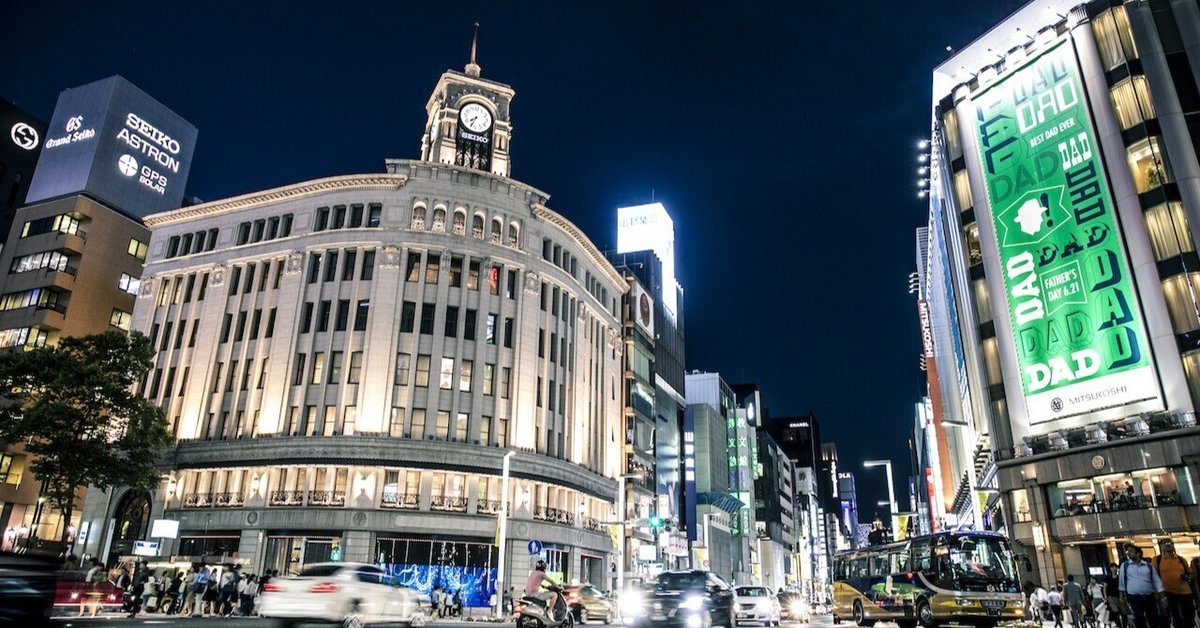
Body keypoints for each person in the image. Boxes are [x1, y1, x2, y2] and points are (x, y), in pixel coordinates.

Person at [1118, 545, 1164, 628]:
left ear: (1138, 554)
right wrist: (1121, 597)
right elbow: (1121, 582)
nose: (1128, 553)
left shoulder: (1148, 566)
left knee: (1153, 618)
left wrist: (1162, 596)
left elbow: (1156, 581)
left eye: (1131, 551)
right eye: (1128, 551)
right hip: (1134, 597)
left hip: (1149, 596)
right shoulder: (1125, 565)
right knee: (1139, 618)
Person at [1154, 539, 1194, 628]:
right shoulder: (1157, 560)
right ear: (1161, 547)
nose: (1168, 545)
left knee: (1190, 615)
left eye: (1170, 543)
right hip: (1169, 593)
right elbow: (1154, 577)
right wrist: (1159, 594)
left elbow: (1190, 573)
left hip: (1185, 591)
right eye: (1165, 543)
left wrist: (1188, 577)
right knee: (1177, 617)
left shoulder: (1181, 559)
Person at [1106, 563, 1128, 628]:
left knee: (1124, 613)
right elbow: (1105, 587)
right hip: (1111, 597)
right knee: (1115, 613)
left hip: (1120, 596)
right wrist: (1105, 596)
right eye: (1112, 567)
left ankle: (1124, 625)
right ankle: (1119, 625)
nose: (1114, 569)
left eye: (1115, 567)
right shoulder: (1108, 577)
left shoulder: (1120, 577)